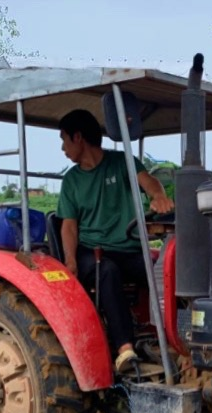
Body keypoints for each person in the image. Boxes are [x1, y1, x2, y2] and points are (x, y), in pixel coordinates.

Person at [55, 109, 173, 372]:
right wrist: (70, 261)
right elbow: (69, 227)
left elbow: (150, 183)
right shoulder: (72, 181)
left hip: (129, 249)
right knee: (106, 271)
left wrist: (158, 197)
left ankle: (172, 338)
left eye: (64, 140)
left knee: (162, 272)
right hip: (91, 252)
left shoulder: (122, 163)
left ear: (78, 137)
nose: (63, 148)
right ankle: (125, 350)